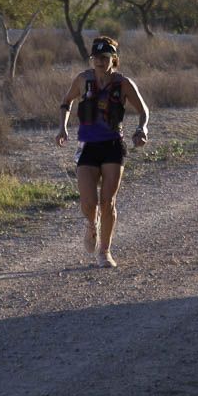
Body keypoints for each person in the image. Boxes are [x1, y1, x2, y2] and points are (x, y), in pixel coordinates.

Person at [55, 36, 149, 268]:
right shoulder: (82, 80)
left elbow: (143, 110)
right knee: (89, 203)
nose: (100, 61)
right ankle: (91, 223)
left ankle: (105, 251)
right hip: (87, 146)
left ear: (113, 59)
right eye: (96, 57)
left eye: (105, 57)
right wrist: (63, 127)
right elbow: (66, 102)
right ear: (91, 58)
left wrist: (141, 129)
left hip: (113, 146)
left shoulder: (123, 83)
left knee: (108, 201)